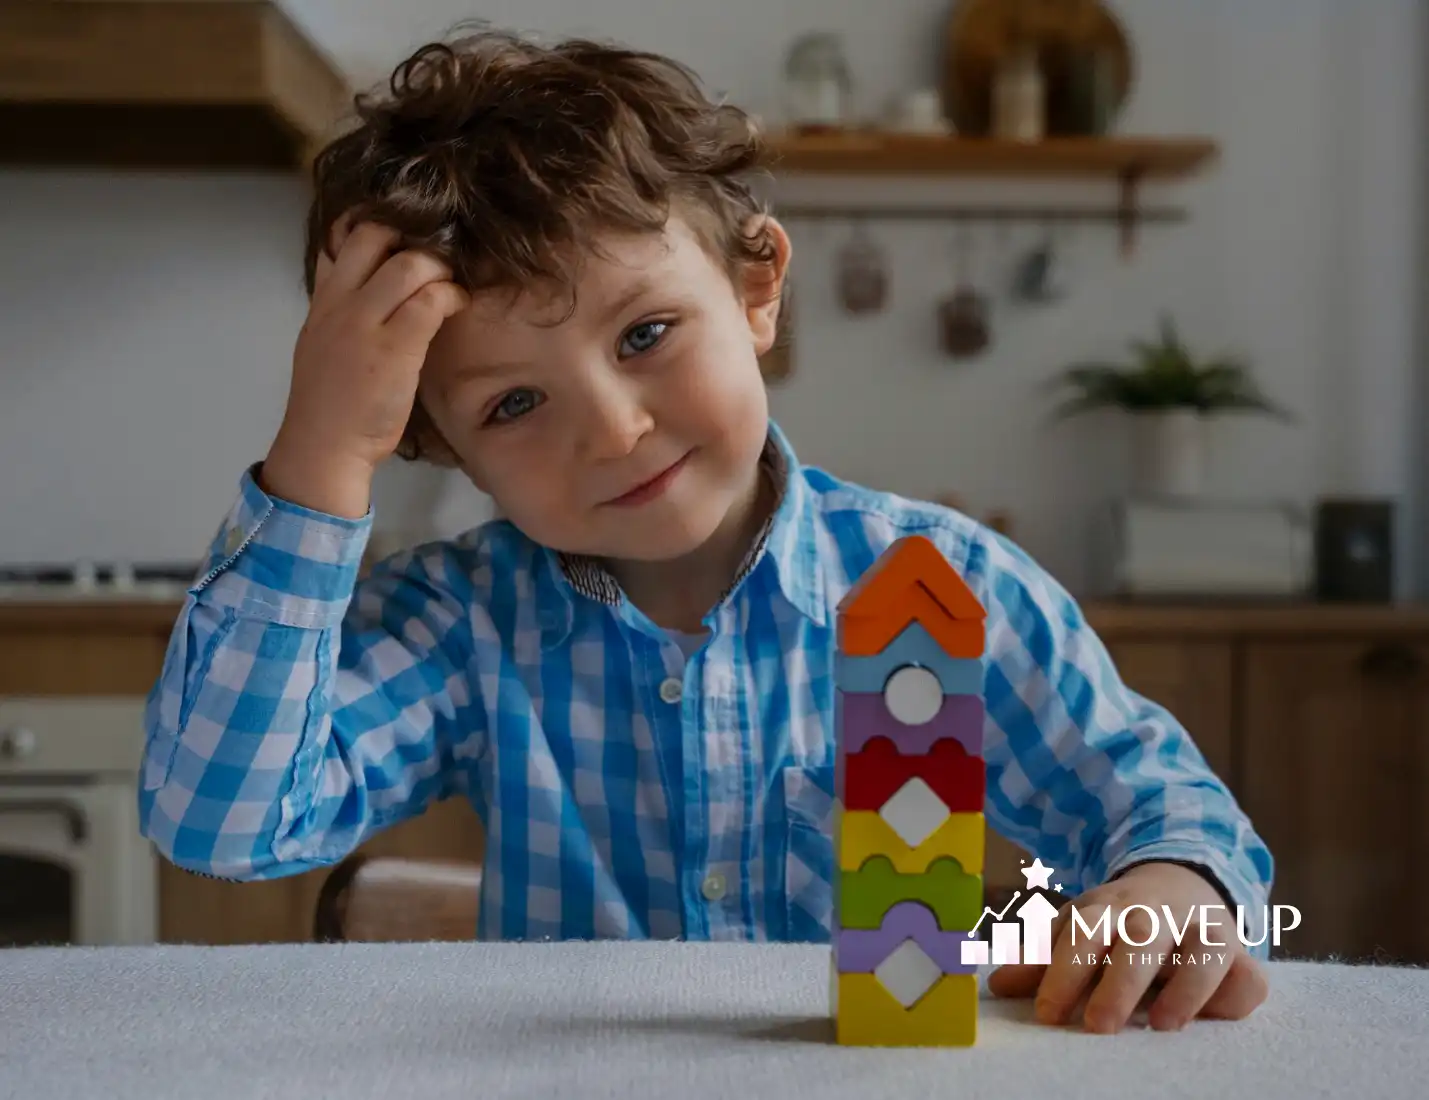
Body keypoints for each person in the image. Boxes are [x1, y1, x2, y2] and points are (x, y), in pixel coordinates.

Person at [137, 27, 1273, 1034]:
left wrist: (1177, 882)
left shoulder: (942, 582)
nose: (617, 431)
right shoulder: (461, 622)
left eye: (646, 334)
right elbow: (222, 825)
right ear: (435, 442)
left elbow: (1159, 800)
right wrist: (325, 452)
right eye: (514, 405)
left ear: (755, 286)